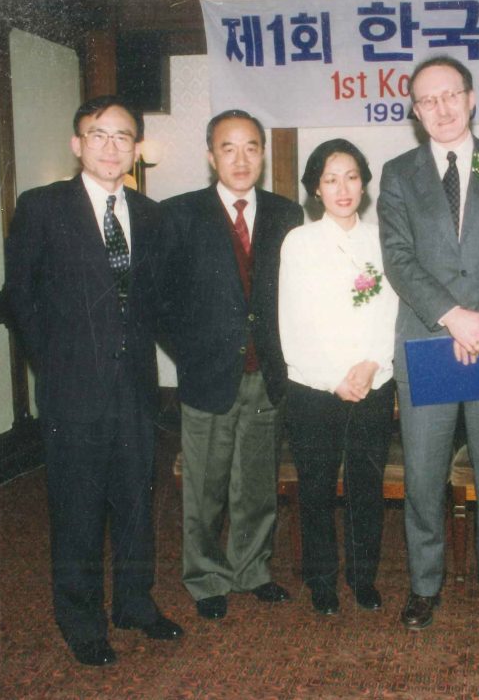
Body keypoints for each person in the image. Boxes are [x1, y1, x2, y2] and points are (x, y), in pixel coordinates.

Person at [4, 95, 183, 666]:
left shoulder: (151, 216)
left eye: (123, 136)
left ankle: (134, 603)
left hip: (134, 387)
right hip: (71, 391)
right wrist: (53, 365)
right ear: (77, 144)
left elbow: (155, 304)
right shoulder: (41, 207)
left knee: (136, 501)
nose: (111, 147)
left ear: (136, 149)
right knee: (77, 509)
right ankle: (80, 621)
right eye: (98, 135)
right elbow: (19, 299)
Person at [378, 55, 479, 630]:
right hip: (427, 340)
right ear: (415, 112)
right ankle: (424, 585)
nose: (441, 108)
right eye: (427, 100)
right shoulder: (399, 173)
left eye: (451, 95)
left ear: (472, 98)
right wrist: (452, 316)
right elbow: (397, 258)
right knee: (423, 475)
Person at [159, 109, 303, 621]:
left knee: (257, 482)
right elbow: (161, 301)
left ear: (263, 154)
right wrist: (192, 354)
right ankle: (204, 577)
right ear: (209, 155)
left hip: (267, 372)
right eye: (228, 148)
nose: (240, 159)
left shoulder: (288, 214)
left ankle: (252, 569)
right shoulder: (178, 214)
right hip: (207, 374)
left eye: (250, 148)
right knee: (205, 487)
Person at [278, 139, 398, 615]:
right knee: (317, 486)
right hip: (315, 387)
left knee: (367, 486)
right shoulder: (300, 242)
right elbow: (294, 321)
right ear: (315, 188)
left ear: (364, 183)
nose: (342, 188)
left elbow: (392, 310)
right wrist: (334, 378)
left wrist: (371, 365)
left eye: (351, 176)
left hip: (372, 381)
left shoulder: (382, 238)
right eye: (330, 178)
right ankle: (322, 581)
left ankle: (363, 577)